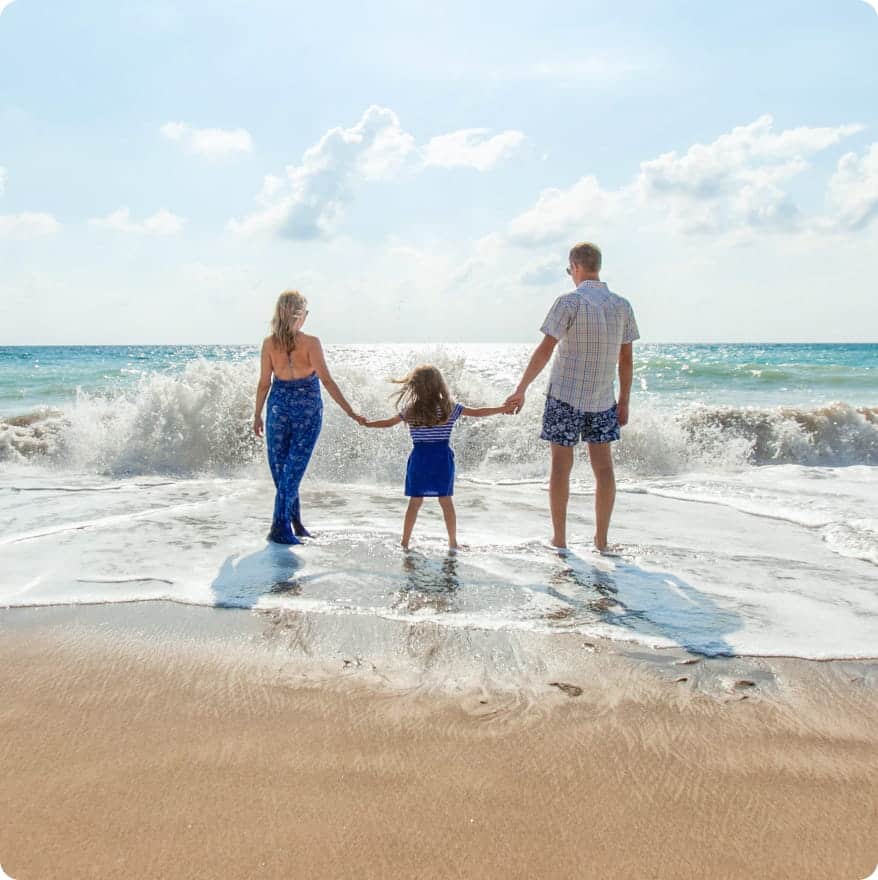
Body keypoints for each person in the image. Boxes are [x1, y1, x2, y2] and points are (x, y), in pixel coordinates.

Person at [505, 242, 639, 554]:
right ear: (598, 267)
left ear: (576, 267)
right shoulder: (622, 305)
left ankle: (560, 540)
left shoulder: (569, 302)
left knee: (561, 468)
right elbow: (626, 360)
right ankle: (601, 541)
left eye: (569, 270)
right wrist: (624, 401)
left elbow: (545, 350)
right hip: (603, 400)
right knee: (604, 470)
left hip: (564, 396)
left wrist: (521, 388)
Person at [253, 290, 365, 544]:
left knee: (284, 470)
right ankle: (279, 527)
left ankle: (295, 523)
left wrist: (257, 414)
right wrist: (350, 411)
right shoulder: (311, 343)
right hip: (307, 411)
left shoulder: (269, 344)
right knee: (291, 470)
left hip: (278, 409)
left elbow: (264, 383)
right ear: (301, 315)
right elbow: (327, 380)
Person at [365, 364, 510, 550]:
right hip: (441, 460)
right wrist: (502, 409)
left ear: (415, 386)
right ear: (439, 385)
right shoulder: (449, 407)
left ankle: (405, 542)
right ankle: (453, 542)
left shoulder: (411, 410)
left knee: (415, 501)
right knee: (446, 501)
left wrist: (367, 423)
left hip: (420, 459)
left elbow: (388, 423)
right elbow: (478, 412)